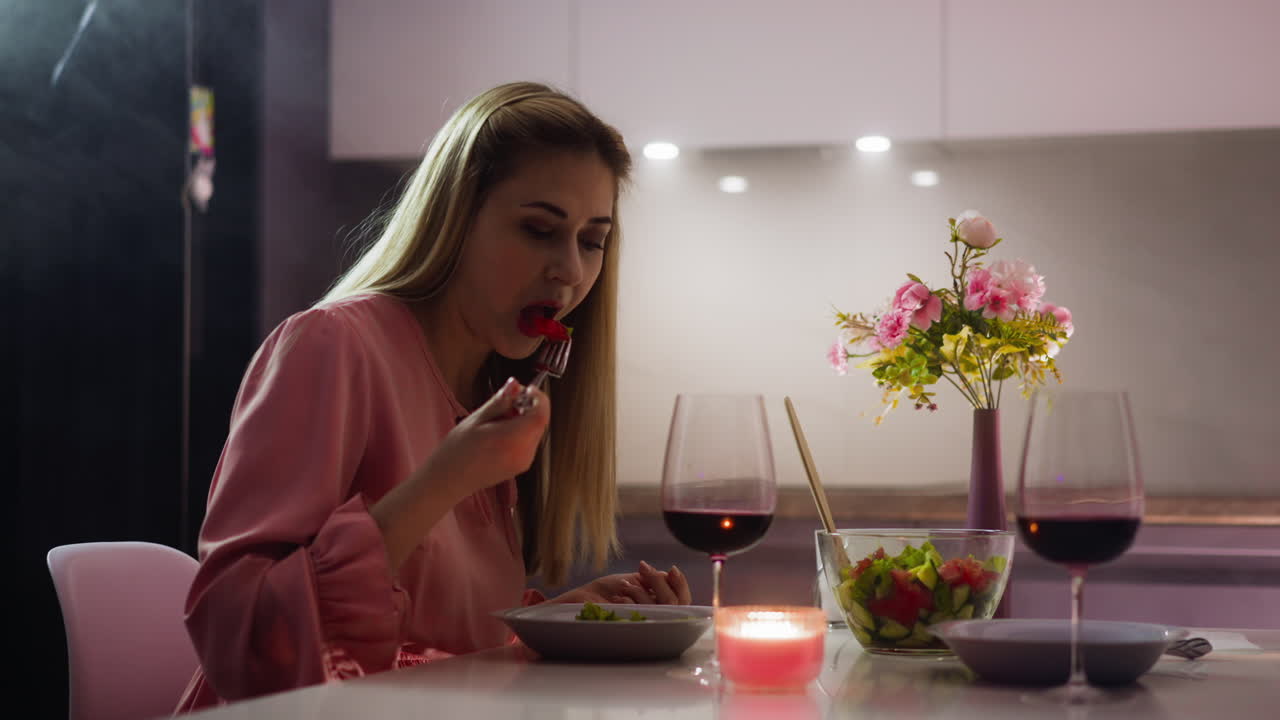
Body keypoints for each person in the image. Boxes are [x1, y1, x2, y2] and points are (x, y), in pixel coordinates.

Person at [176, 82, 691, 713]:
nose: (571, 271)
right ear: (455, 218)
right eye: (538, 229)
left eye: (591, 240)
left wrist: (560, 618)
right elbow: (244, 638)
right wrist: (442, 479)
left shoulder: (487, 388)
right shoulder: (330, 346)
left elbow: (426, 640)